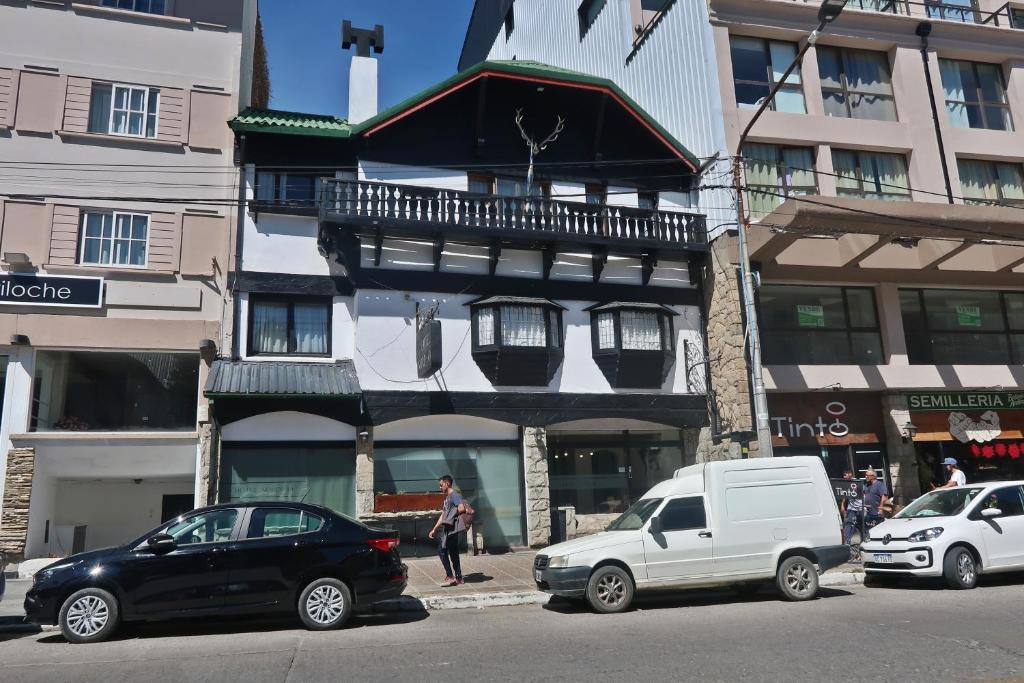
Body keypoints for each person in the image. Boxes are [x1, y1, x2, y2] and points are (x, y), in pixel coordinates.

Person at [428, 475, 466, 587]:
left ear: (447, 483)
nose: (440, 487)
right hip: (449, 529)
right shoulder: (447, 498)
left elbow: (461, 508)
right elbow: (443, 515)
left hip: (451, 529)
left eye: (441, 485)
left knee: (441, 550)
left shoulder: (454, 495)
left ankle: (450, 576)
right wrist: (434, 529)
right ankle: (459, 578)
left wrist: (452, 517)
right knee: (454, 552)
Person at [839, 470, 863, 545]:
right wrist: (842, 505)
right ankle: (847, 541)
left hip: (860, 507)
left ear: (850, 475)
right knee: (849, 523)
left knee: (861, 524)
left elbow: (863, 492)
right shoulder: (846, 484)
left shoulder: (857, 482)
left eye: (845, 475)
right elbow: (845, 494)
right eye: (844, 475)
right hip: (851, 508)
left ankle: (864, 539)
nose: (844, 477)